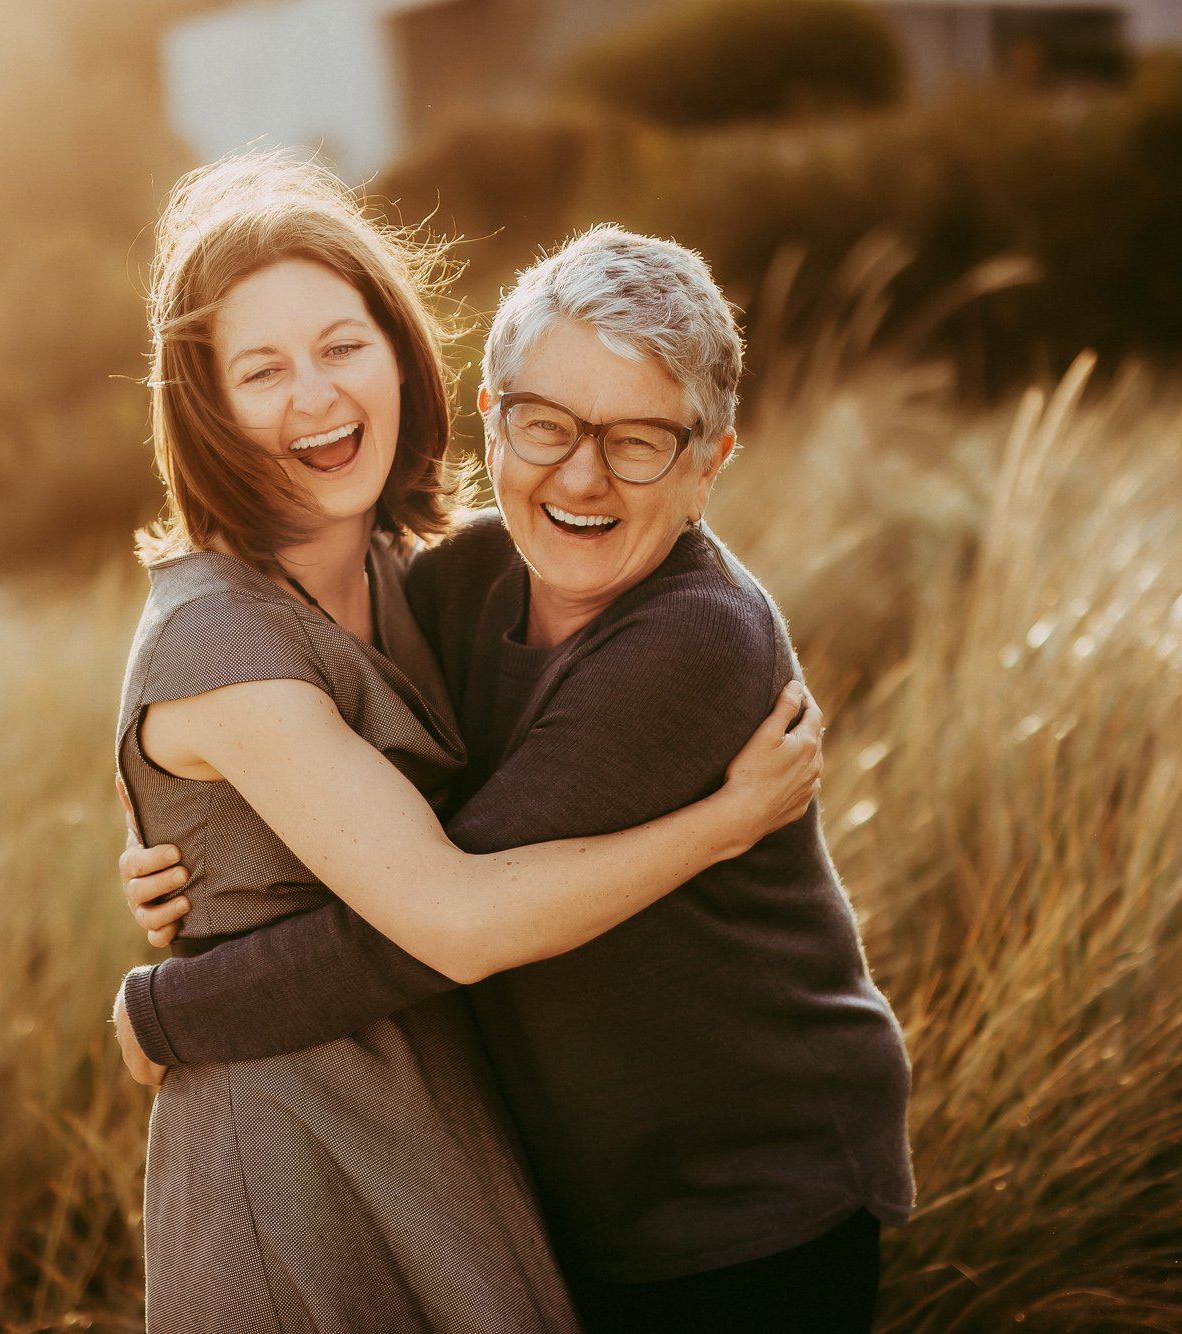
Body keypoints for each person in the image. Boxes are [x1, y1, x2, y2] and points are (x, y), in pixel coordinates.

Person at [117, 225, 915, 1334]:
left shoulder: (691, 641)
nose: (580, 474)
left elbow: (442, 915)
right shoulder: (458, 582)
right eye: (546, 423)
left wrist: (170, 1008)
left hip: (737, 1198)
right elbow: (341, 773)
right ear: (491, 415)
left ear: (709, 462)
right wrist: (196, 850)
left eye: (638, 440)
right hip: (565, 1182)